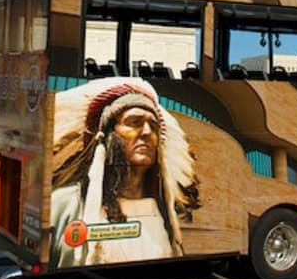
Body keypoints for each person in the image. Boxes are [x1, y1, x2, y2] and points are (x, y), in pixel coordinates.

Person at [50, 77, 200, 268]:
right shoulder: (66, 203)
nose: (147, 132)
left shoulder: (164, 212)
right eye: (134, 122)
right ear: (109, 135)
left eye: (153, 126)